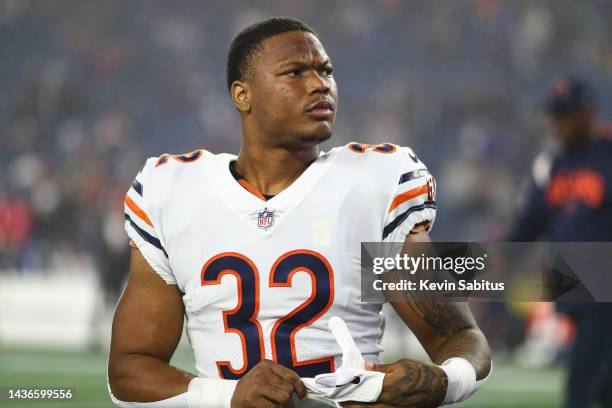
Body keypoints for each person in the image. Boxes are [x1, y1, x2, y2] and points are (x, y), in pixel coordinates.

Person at [108, 17, 491, 408]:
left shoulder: (372, 185)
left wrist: (442, 382)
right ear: (243, 95)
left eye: (325, 70)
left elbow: (461, 337)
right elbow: (129, 371)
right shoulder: (174, 191)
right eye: (294, 72)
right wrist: (228, 395)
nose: (319, 84)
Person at [509, 76, 612, 408]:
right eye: (554, 115)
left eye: (565, 115)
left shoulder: (608, 155)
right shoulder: (554, 164)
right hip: (575, 293)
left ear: (588, 113)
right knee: (600, 391)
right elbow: (530, 223)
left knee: (579, 394)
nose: (557, 123)